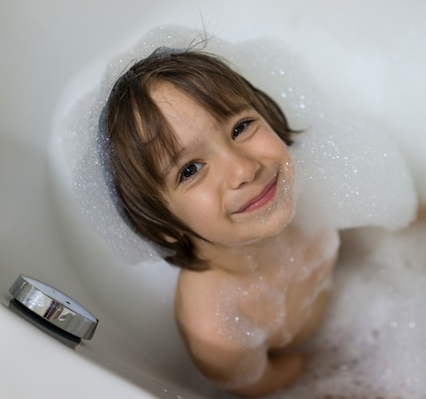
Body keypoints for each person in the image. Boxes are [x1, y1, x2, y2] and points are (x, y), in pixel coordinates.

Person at [101, 47, 340, 397]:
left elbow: (385, 215)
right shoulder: (216, 328)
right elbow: (266, 383)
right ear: (164, 226)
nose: (244, 169)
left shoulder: (314, 195)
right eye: (190, 170)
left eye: (240, 127)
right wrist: (325, 366)